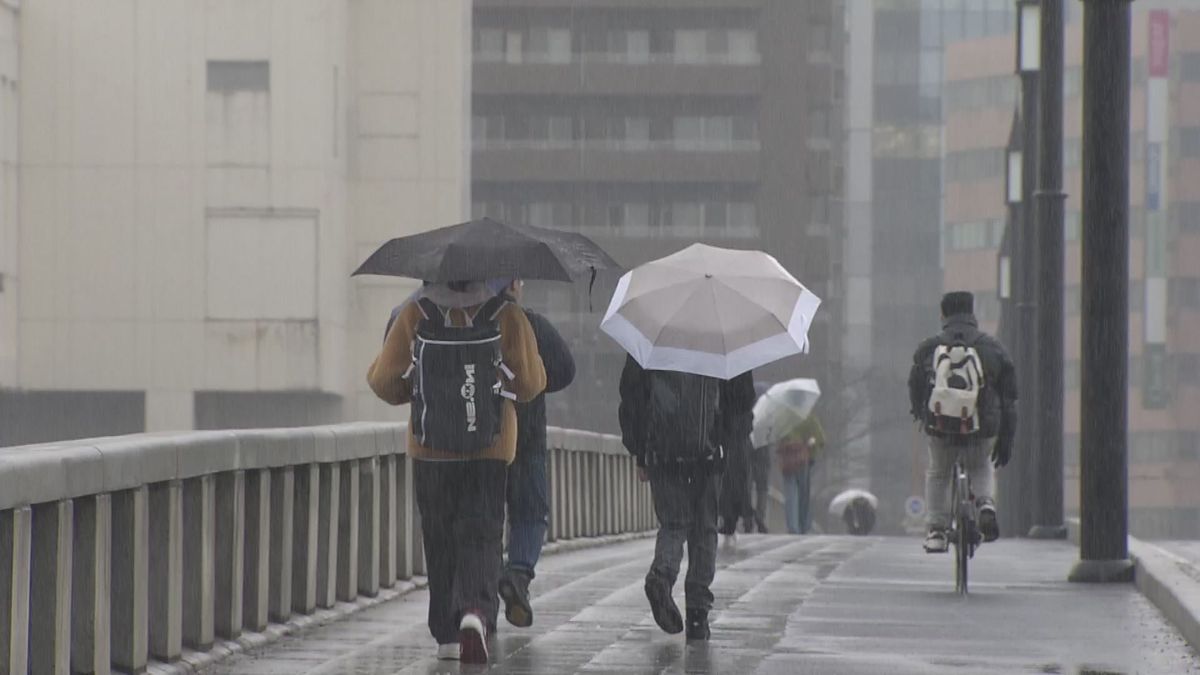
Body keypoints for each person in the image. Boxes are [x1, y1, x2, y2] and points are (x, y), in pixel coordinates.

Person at [367, 280, 547, 664]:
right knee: (482, 532)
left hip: (430, 447)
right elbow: (532, 384)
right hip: (489, 446)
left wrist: (416, 387)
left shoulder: (417, 312)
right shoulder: (507, 315)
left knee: (439, 535)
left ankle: (446, 635)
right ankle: (474, 612)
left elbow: (385, 382)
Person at [618, 356, 755, 642]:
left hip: (663, 452)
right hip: (708, 454)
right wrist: (730, 443)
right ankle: (697, 614)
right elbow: (742, 401)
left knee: (673, 524)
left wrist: (639, 450)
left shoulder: (655, 339)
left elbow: (632, 396)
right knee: (705, 530)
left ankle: (662, 575)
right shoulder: (723, 341)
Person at [488, 279, 576, 630]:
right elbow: (566, 370)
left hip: (486, 442)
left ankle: (487, 586)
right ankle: (519, 574)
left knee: (487, 520)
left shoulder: (471, 323)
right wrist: (535, 377)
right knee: (530, 514)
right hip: (526, 438)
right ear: (513, 284)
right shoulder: (531, 323)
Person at [908, 291, 1016, 554]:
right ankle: (986, 505)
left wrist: (921, 414)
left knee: (938, 472)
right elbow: (1010, 398)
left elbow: (915, 385)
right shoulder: (992, 348)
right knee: (980, 466)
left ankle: (936, 529)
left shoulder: (929, 348)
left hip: (941, 426)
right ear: (972, 313)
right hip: (981, 428)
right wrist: (1006, 436)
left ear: (943, 315)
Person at [718, 371, 756, 548]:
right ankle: (741, 515)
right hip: (739, 432)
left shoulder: (718, 372)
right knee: (740, 478)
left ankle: (729, 519)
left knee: (728, 478)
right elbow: (749, 398)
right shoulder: (743, 368)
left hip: (726, 432)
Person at [777, 414, 824, 535]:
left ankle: (793, 526)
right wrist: (811, 446)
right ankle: (803, 525)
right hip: (803, 461)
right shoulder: (808, 417)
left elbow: (777, 438)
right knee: (803, 495)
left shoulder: (783, 417)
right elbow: (821, 439)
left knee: (790, 494)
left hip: (787, 461)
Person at [747, 443, 771, 533]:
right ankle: (759, 517)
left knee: (747, 489)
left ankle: (748, 519)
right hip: (762, 454)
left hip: (748, 453)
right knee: (762, 490)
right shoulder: (763, 431)